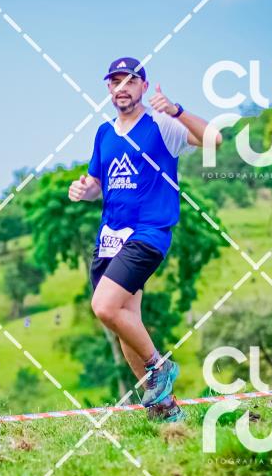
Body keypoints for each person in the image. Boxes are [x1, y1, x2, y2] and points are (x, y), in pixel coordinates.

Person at [68, 56, 221, 422]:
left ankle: (159, 366)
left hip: (148, 233)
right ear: (108, 88)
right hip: (110, 238)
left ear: (144, 86)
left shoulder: (162, 125)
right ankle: (165, 411)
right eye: (115, 82)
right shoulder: (104, 133)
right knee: (124, 319)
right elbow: (98, 185)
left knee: (105, 307)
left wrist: (177, 110)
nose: (122, 88)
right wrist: (84, 190)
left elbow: (213, 139)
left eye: (130, 81)